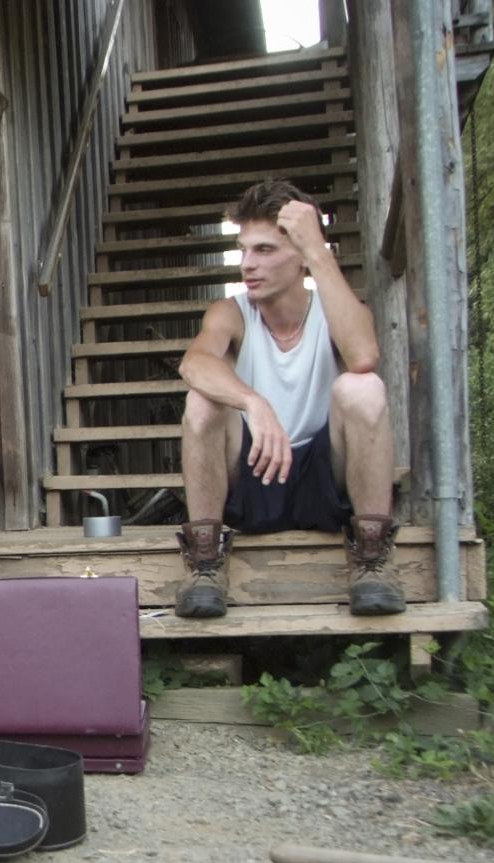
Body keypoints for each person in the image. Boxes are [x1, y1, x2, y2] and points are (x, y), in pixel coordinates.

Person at [175, 178, 405, 618]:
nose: (247, 264)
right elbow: (194, 364)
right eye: (244, 250)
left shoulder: (333, 308)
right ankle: (205, 564)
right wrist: (254, 403)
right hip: (253, 478)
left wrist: (317, 250)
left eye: (264, 250)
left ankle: (372, 561)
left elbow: (362, 356)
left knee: (363, 387)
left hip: (323, 481)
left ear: (300, 254)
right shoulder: (232, 312)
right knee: (202, 400)